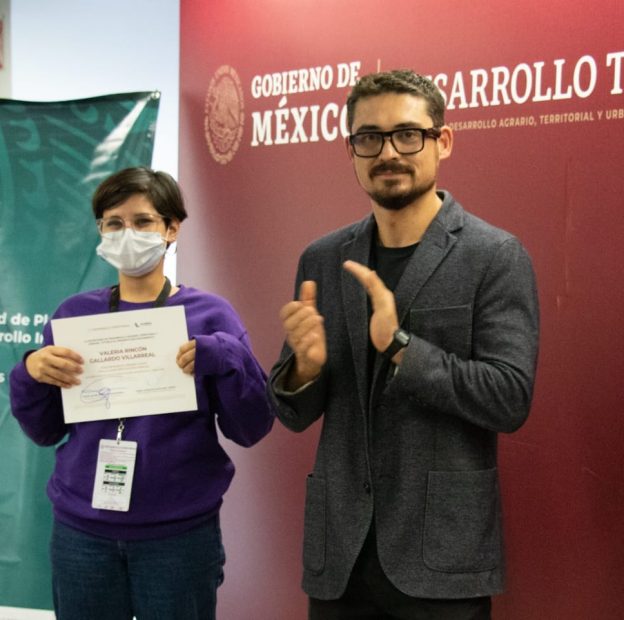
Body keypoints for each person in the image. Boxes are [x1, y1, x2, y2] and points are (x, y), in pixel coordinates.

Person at [267, 69, 540, 619]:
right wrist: (305, 371)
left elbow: (509, 398)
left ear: (444, 140)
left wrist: (401, 348)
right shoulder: (322, 258)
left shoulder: (493, 255)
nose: (388, 152)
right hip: (339, 557)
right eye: (369, 137)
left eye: (408, 135)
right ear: (351, 150)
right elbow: (294, 413)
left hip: (441, 557)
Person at [9, 167, 274, 619]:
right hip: (82, 534)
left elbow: (250, 427)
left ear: (172, 228)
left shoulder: (210, 315)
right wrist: (30, 372)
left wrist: (226, 358)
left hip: (178, 535)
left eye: (143, 221)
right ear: (100, 231)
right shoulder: (75, 316)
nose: (127, 234)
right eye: (114, 223)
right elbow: (43, 430)